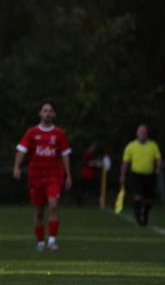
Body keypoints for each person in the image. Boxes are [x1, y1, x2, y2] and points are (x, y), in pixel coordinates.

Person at [13, 101, 72, 251]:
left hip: (54, 176)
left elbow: (65, 155)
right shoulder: (32, 133)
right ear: (40, 113)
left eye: (50, 111)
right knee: (39, 211)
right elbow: (21, 150)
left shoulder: (59, 134)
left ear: (54, 114)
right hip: (36, 177)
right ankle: (40, 242)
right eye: (45, 111)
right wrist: (17, 167)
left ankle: (52, 241)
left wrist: (68, 175)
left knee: (53, 206)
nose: (47, 113)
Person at [119, 124, 162, 227]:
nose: (142, 134)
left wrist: (158, 169)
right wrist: (122, 175)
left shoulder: (153, 145)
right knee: (137, 197)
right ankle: (138, 217)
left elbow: (158, 159)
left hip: (149, 175)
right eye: (140, 132)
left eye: (144, 132)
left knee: (149, 199)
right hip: (136, 175)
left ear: (147, 134)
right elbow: (125, 162)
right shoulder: (131, 146)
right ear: (137, 134)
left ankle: (145, 214)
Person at [77, 142, 102, 207]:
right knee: (83, 189)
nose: (94, 148)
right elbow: (86, 163)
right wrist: (95, 163)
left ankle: (99, 201)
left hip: (91, 175)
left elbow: (93, 162)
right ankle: (79, 203)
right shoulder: (87, 154)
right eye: (93, 147)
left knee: (96, 188)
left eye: (94, 147)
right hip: (86, 175)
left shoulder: (93, 154)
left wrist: (97, 163)